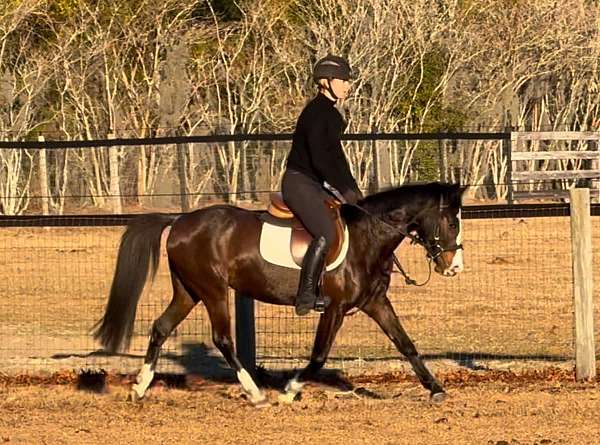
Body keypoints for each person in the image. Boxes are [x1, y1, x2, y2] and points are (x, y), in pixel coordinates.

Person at [281, 54, 363, 316]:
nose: (347, 86)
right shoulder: (316, 113)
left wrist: (353, 190)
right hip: (299, 183)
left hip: (314, 183)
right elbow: (321, 160)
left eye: (348, 81)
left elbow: (337, 160)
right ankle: (306, 294)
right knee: (326, 233)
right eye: (343, 80)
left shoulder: (331, 115)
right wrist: (343, 188)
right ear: (326, 82)